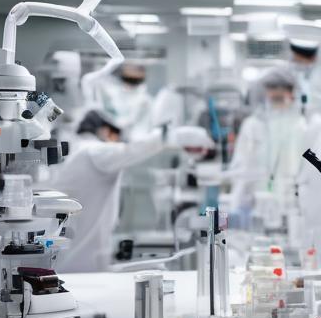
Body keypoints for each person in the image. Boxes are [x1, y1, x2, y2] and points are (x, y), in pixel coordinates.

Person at [50, 110, 210, 272]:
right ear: (105, 131)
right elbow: (130, 151)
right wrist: (170, 136)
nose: (118, 141)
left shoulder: (78, 154)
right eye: (116, 136)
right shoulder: (94, 151)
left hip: (75, 261)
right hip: (80, 265)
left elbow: (136, 159)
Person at [228, 65, 321, 234]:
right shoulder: (253, 127)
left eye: (282, 90)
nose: (276, 95)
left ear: (293, 92)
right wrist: (239, 206)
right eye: (272, 90)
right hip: (259, 210)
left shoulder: (304, 126)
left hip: (296, 212)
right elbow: (241, 171)